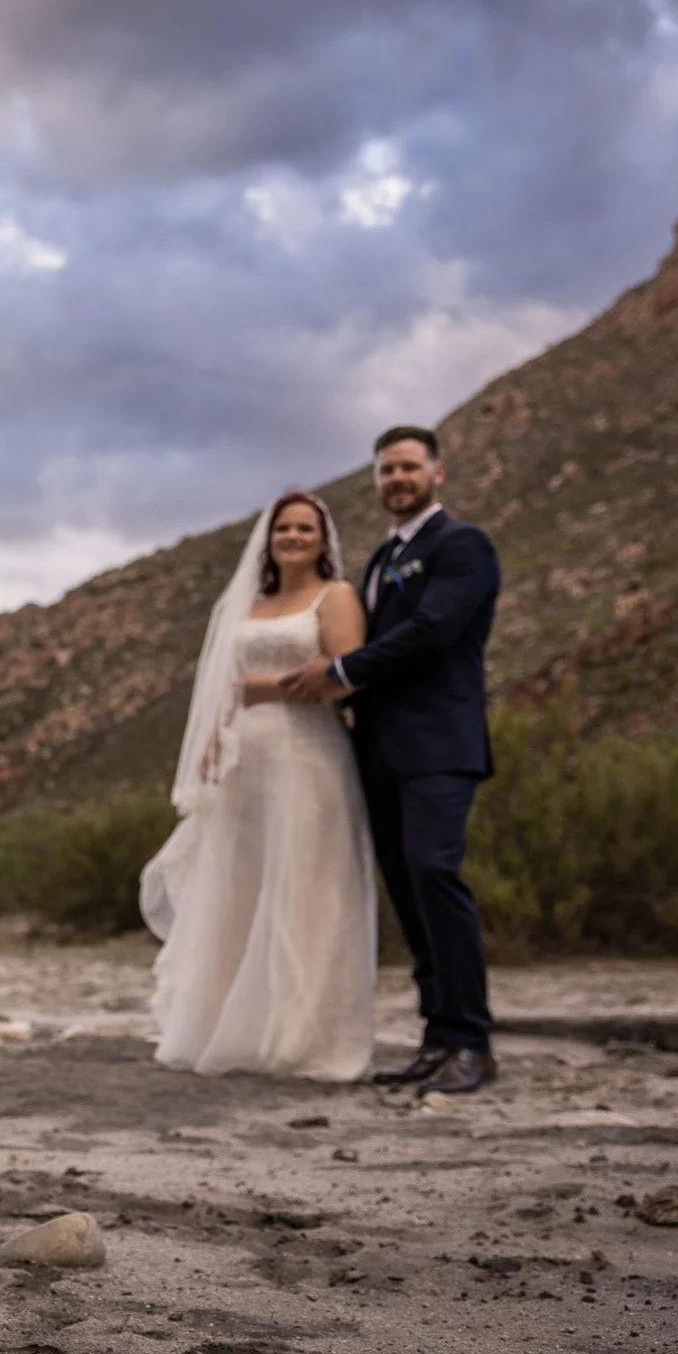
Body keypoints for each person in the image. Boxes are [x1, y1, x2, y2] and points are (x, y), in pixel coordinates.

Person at [282, 425, 501, 1096]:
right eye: (385, 470)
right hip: (377, 748)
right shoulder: (379, 559)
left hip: (439, 745)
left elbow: (432, 632)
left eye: (408, 467)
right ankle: (436, 1038)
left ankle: (472, 1040)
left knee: (437, 874)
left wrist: (341, 668)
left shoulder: (463, 546)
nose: (397, 479)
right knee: (407, 892)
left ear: (437, 472)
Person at [141, 489, 378, 1082]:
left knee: (305, 887)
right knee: (243, 887)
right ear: (268, 541)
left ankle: (301, 1037)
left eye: (304, 529)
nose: (293, 538)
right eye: (283, 530)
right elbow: (225, 687)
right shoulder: (255, 603)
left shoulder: (336, 596)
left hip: (308, 756)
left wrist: (266, 689)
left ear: (324, 539)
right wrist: (217, 737)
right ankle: (235, 1027)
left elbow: (348, 676)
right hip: (246, 760)